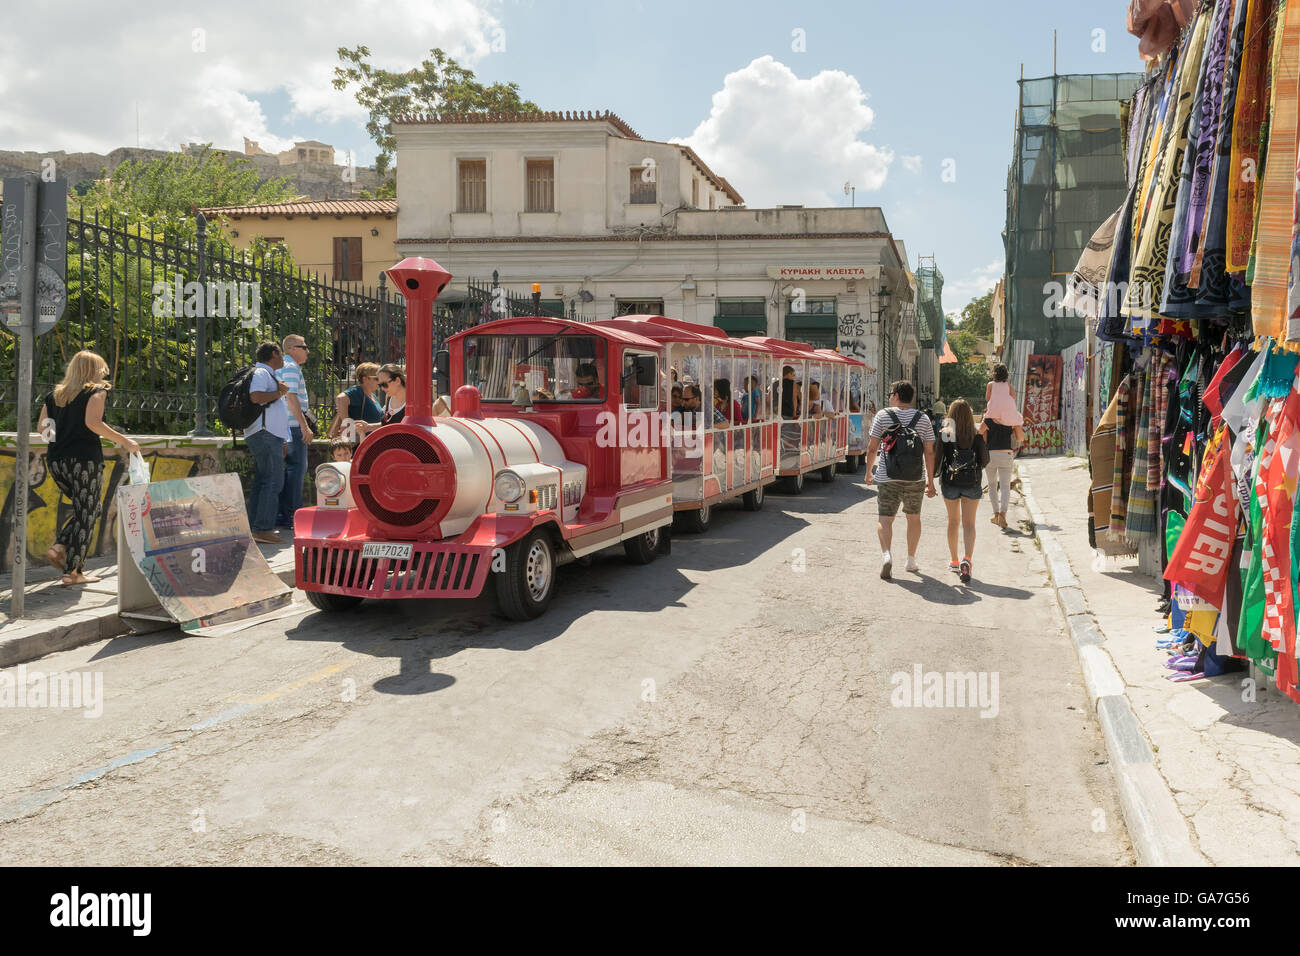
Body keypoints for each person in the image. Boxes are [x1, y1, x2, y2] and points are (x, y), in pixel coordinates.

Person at [41, 351, 139, 586]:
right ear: (92, 370)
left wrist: (63, 438)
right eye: (101, 369)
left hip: (56, 460)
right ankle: (73, 572)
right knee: (88, 512)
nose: (104, 373)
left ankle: (59, 547)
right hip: (84, 461)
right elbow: (93, 423)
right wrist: (125, 441)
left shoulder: (54, 396)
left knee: (88, 509)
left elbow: (43, 428)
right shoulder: (96, 392)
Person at [864, 380, 936, 580]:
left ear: (896, 395)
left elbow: (872, 448)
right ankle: (911, 560)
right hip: (915, 478)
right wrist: (930, 481)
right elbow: (929, 452)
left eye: (890, 393)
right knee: (913, 517)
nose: (889, 397)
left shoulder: (883, 415)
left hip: (888, 476)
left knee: (885, 518)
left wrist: (869, 472)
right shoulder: (922, 418)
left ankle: (886, 555)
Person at [936, 399, 989, 584]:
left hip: (950, 483)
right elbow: (985, 461)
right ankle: (967, 558)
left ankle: (954, 561)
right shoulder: (976, 434)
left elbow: (938, 460)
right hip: (972, 483)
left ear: (950, 414)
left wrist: (932, 480)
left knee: (953, 522)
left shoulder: (947, 434)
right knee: (969, 524)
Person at [245, 342, 292, 544]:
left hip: (268, 435)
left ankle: (253, 527)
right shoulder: (262, 373)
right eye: (281, 354)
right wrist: (279, 392)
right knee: (273, 481)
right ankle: (262, 528)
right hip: (265, 434)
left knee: (263, 481)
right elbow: (255, 397)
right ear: (274, 354)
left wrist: (282, 440)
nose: (283, 359)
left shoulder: (266, 374)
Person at [275, 334, 314, 529]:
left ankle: (283, 513)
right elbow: (291, 398)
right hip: (292, 426)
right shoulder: (290, 367)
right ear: (292, 348)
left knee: (288, 471)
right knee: (296, 470)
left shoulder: (284, 366)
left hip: (285, 426)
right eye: (304, 346)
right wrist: (303, 425)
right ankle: (292, 514)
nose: (308, 350)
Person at [980, 414, 1017, 529]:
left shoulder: (988, 418)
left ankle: (996, 514)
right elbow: (1019, 436)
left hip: (990, 454)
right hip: (1006, 454)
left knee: (992, 485)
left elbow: (980, 434)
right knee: (1005, 486)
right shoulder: (1010, 417)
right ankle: (1003, 514)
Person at [332, 362, 382, 439]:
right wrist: (348, 426)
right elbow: (340, 399)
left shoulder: (373, 396)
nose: (380, 381)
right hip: (358, 443)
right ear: (365, 379)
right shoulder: (358, 391)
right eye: (376, 378)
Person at [984, 364, 1026, 446]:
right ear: (1006, 374)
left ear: (994, 373)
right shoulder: (1007, 384)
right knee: (1017, 423)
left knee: (982, 429)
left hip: (993, 412)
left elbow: (987, 398)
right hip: (1008, 413)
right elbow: (1014, 396)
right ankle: (1018, 439)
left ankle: (985, 444)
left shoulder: (990, 384)